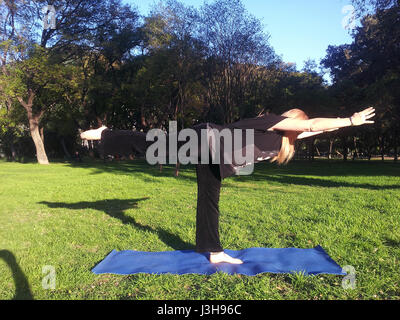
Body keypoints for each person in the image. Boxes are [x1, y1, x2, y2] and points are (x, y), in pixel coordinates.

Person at [80, 107, 375, 264]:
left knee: (209, 200)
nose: (302, 129)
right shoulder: (274, 122)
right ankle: (108, 134)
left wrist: (347, 125)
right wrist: (350, 119)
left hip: (215, 156)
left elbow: (315, 130)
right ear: (293, 120)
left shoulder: (285, 139)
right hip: (206, 139)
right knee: (154, 145)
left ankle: (214, 250)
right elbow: (311, 126)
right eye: (300, 124)